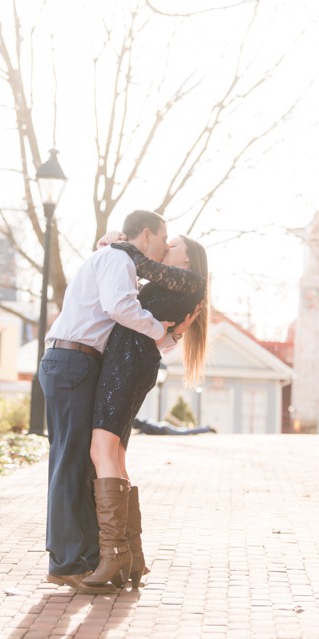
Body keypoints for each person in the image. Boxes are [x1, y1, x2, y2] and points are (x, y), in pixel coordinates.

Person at [39, 210, 196, 594]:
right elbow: (120, 307)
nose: (163, 248)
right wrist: (163, 334)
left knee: (78, 461)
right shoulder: (118, 259)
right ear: (148, 234)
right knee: (70, 462)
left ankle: (100, 555)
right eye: (164, 239)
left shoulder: (118, 258)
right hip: (74, 361)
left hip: (77, 362)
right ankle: (68, 562)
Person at [82, 235, 209, 591]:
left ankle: (115, 554)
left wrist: (122, 245)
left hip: (127, 366)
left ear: (188, 258)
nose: (167, 246)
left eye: (174, 244)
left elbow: (143, 266)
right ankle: (131, 555)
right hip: (131, 363)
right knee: (116, 455)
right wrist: (112, 245)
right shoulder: (173, 283)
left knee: (101, 451)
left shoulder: (192, 280)